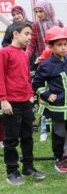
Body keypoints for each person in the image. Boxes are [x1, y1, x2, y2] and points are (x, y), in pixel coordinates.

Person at [0, 21, 45, 185]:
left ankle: (28, 167)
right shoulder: (4, 53)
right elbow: (1, 77)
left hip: (26, 102)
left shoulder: (24, 54)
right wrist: (4, 100)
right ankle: (12, 171)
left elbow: (26, 77)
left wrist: (30, 95)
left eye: (30, 34)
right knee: (11, 140)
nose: (29, 37)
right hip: (11, 103)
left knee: (27, 137)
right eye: (26, 34)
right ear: (15, 34)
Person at [32, 26, 67, 173]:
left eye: (65, 44)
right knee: (59, 133)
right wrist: (46, 95)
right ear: (50, 46)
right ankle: (59, 159)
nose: (64, 47)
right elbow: (36, 83)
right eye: (59, 45)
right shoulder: (46, 65)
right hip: (58, 107)